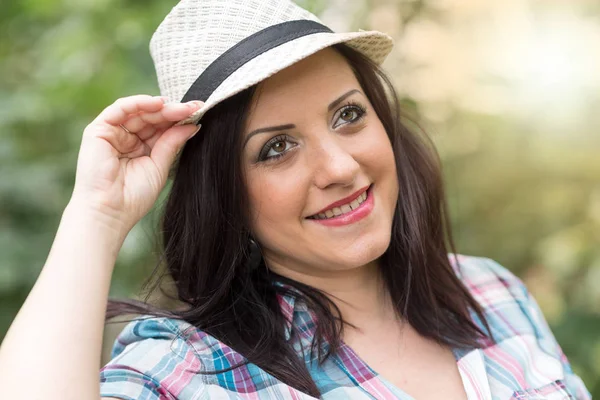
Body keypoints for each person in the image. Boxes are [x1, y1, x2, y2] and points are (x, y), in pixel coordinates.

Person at [0, 0, 591, 399]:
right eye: (277, 147)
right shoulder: (200, 370)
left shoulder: (491, 292)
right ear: (226, 196)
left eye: (349, 115)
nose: (339, 167)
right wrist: (97, 214)